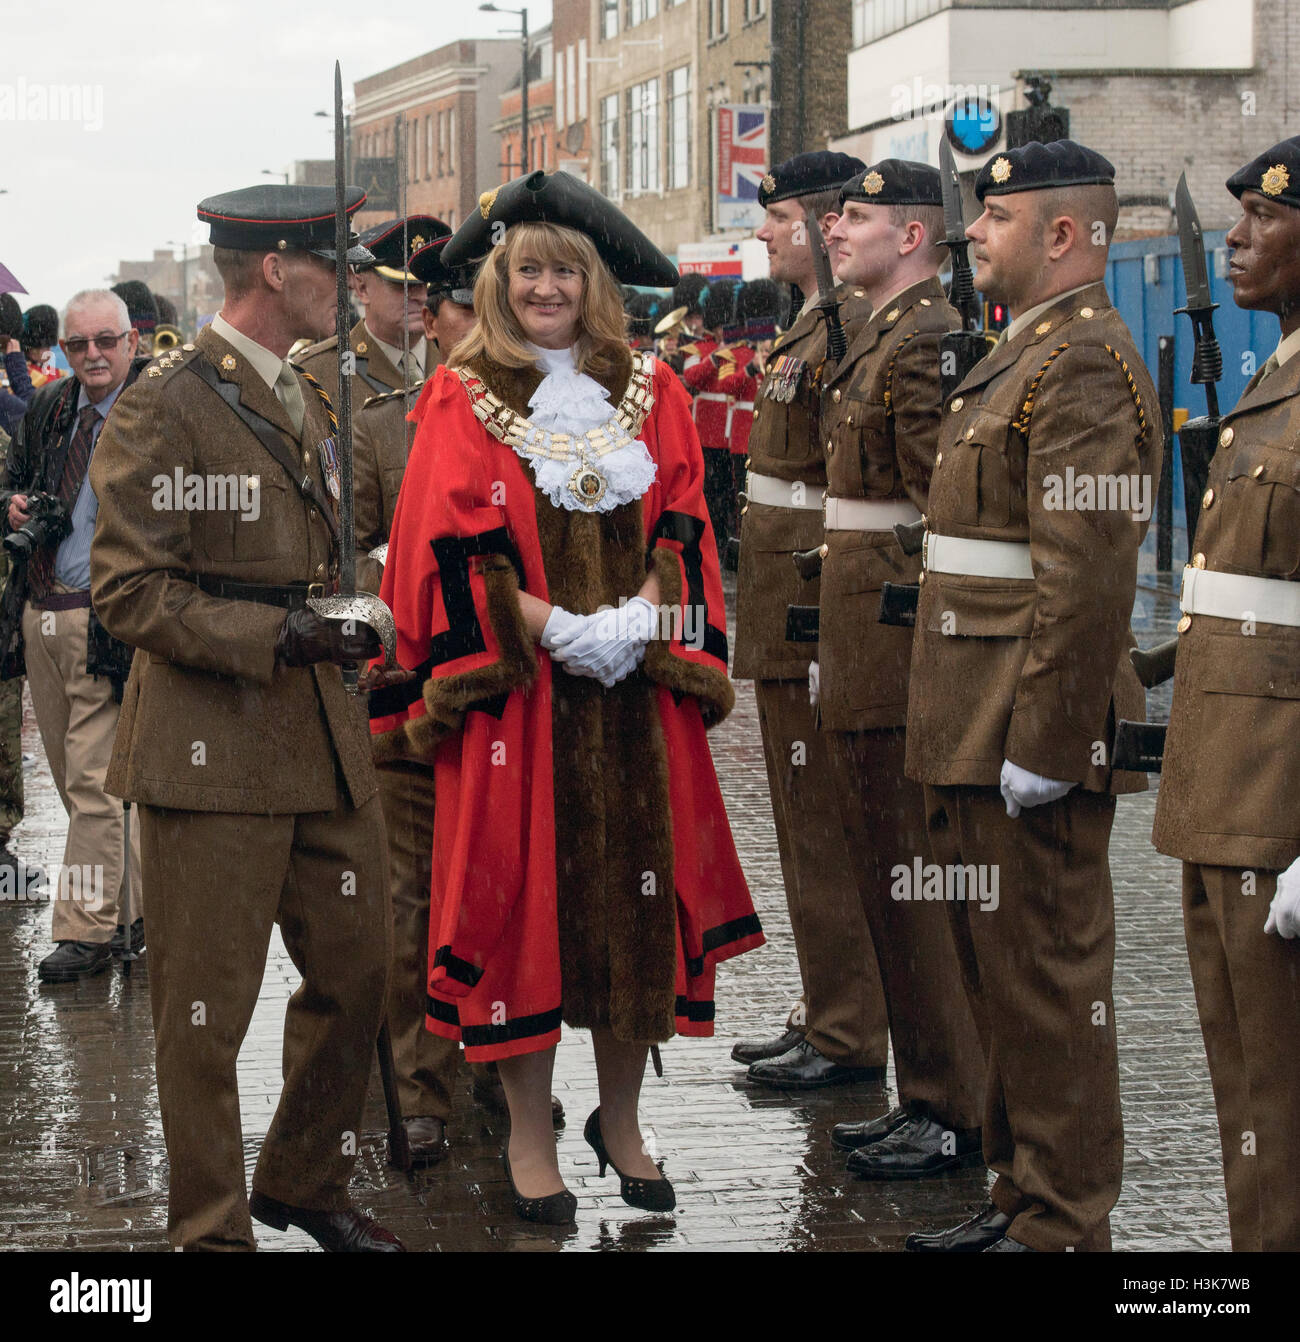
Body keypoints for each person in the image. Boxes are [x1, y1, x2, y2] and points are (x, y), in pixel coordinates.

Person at [370, 169, 763, 1224]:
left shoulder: (656, 386)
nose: (547, 288)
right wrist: (555, 628)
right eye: (529, 269)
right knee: (523, 915)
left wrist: (644, 616)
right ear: (501, 280)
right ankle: (532, 1135)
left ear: (594, 283)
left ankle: (622, 1119)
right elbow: (443, 548)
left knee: (633, 906)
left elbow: (688, 518)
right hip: (522, 706)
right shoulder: (460, 392)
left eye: (564, 271)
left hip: (635, 694)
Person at [89, 183, 402, 1253]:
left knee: (364, 967)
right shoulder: (165, 401)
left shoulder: (304, 390)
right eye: (338, 266)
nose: (352, 287)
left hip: (320, 740)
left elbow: (311, 550)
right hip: (208, 753)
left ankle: (304, 1179)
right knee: (203, 1014)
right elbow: (129, 591)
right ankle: (214, 1231)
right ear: (277, 269)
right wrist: (282, 637)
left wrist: (352, 616)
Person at [903, 141, 1161, 1252]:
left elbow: (1087, 572)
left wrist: (1049, 742)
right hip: (971, 720)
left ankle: (1062, 1218)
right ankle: (1017, 1193)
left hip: (1023, 727)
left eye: (994, 215)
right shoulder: (1022, 356)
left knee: (1049, 986)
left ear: (1061, 234)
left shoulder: (1084, 363)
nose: (972, 235)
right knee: (996, 976)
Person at [815, 160, 985, 1178]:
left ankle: (953, 1100)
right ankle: (923, 1086)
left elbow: (943, 512)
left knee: (916, 885)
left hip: (897, 644)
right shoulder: (882, 330)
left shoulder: (923, 336)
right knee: (884, 876)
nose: (836, 228)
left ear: (914, 237)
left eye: (860, 216)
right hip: (858, 638)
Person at [1150, 134, 1300, 1251]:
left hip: (1282, 798)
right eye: (1236, 218)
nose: (1238, 241)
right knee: (1248, 1087)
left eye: (1263, 219)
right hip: (1227, 787)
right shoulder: (1275, 368)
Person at [730, 151, 891, 1088]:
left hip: (815, 604)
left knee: (829, 827)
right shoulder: (813, 327)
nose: (765, 233)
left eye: (780, 217)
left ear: (826, 223)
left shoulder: (852, 331)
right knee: (801, 825)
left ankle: (847, 1027)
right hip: (785, 603)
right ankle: (826, 1004)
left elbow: (858, 492)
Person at [0, 290, 146, 981]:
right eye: (79, 343)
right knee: (79, 781)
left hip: (109, 619)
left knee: (93, 780)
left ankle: (85, 930)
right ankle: (135, 913)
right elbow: (7, 484)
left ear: (131, 342)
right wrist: (15, 504)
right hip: (41, 611)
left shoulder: (156, 413)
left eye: (105, 342)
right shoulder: (52, 408)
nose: (92, 355)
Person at [295, 214, 446, 403]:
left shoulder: (458, 357)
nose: (419, 296)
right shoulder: (320, 371)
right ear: (362, 288)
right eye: (402, 286)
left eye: (424, 284)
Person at [682, 282, 739, 555]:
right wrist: (715, 358)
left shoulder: (738, 345)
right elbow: (692, 378)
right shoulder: (698, 348)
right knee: (710, 489)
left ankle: (727, 537)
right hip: (706, 427)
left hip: (732, 428)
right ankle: (712, 538)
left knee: (730, 489)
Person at [21, 305, 62, 389]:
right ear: (31, 350)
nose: (49, 350)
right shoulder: (23, 374)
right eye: (45, 347)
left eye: (48, 346)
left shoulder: (56, 373)